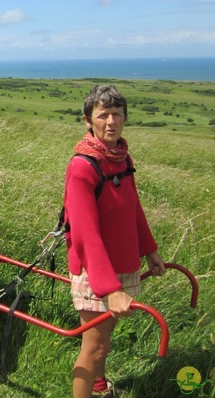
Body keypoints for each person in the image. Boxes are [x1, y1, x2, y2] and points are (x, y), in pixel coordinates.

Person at [64, 85, 166, 398]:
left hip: (122, 263)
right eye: (103, 115)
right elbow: (85, 234)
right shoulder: (82, 167)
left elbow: (132, 207)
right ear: (87, 120)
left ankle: (98, 385)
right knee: (94, 346)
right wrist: (111, 289)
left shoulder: (122, 158)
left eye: (117, 114)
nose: (111, 121)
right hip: (95, 272)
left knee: (104, 339)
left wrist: (149, 250)